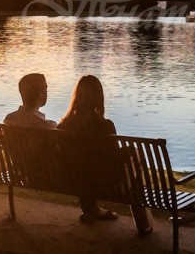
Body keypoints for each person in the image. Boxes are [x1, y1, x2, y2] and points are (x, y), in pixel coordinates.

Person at [58, 75, 153, 236]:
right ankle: (143, 223)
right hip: (104, 184)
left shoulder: (63, 125)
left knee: (86, 166)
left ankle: (90, 209)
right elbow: (112, 161)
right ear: (98, 97)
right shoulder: (104, 126)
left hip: (71, 179)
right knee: (134, 160)